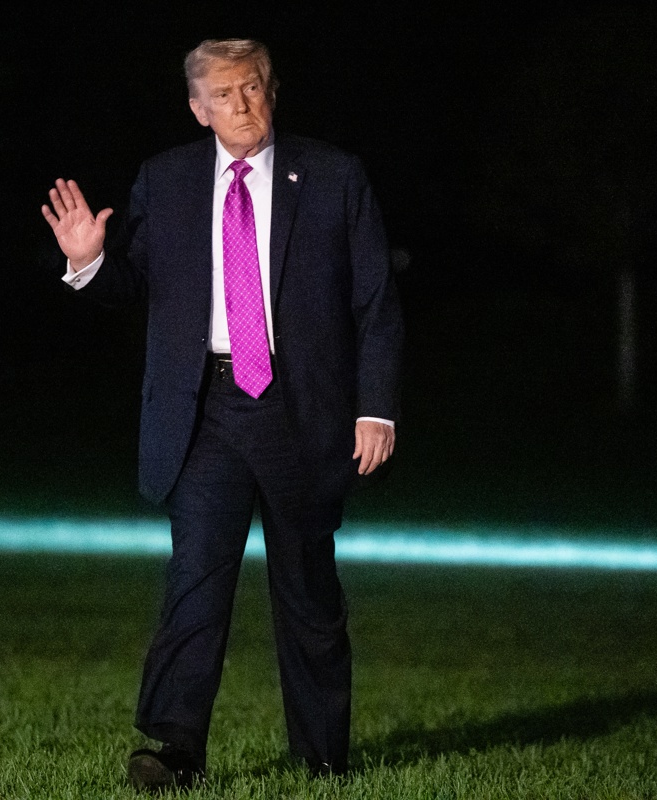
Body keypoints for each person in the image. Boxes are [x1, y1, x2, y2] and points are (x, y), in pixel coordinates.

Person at [40, 39, 403, 790]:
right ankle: (176, 749)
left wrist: (377, 409)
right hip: (203, 408)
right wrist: (89, 262)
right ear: (198, 109)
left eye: (254, 88)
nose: (243, 105)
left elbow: (374, 302)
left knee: (307, 588)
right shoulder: (165, 180)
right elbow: (131, 286)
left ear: (272, 90)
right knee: (195, 578)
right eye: (226, 94)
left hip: (301, 409)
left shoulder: (333, 176)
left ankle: (324, 756)